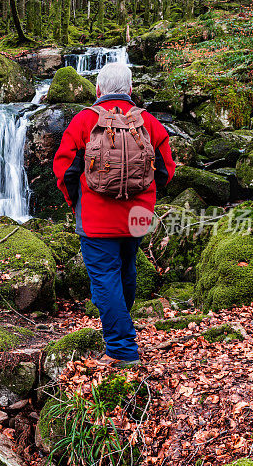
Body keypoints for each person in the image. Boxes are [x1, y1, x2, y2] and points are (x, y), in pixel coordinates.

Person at [52, 62, 176, 367]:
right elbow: (166, 170)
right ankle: (121, 324)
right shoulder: (148, 122)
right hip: (137, 216)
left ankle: (122, 349)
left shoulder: (83, 121)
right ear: (130, 90)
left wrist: (75, 203)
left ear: (98, 90)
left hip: (96, 218)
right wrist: (145, 197)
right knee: (127, 270)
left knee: (105, 280)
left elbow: (65, 170)